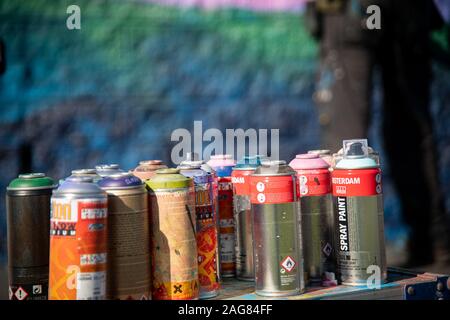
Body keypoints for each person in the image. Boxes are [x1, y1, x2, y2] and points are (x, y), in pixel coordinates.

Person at [305, 0, 450, 267]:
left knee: (346, 138)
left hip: (351, 13)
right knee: (409, 129)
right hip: (404, 13)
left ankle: (349, 254)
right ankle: (431, 243)